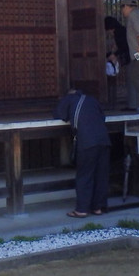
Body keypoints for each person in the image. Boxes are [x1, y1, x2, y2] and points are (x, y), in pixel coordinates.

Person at [53, 88, 111, 217]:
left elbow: (60, 115)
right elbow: (102, 117)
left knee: (85, 175)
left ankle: (82, 209)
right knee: (101, 175)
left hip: (87, 141)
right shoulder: (92, 99)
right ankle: (98, 207)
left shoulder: (69, 99)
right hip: (103, 140)